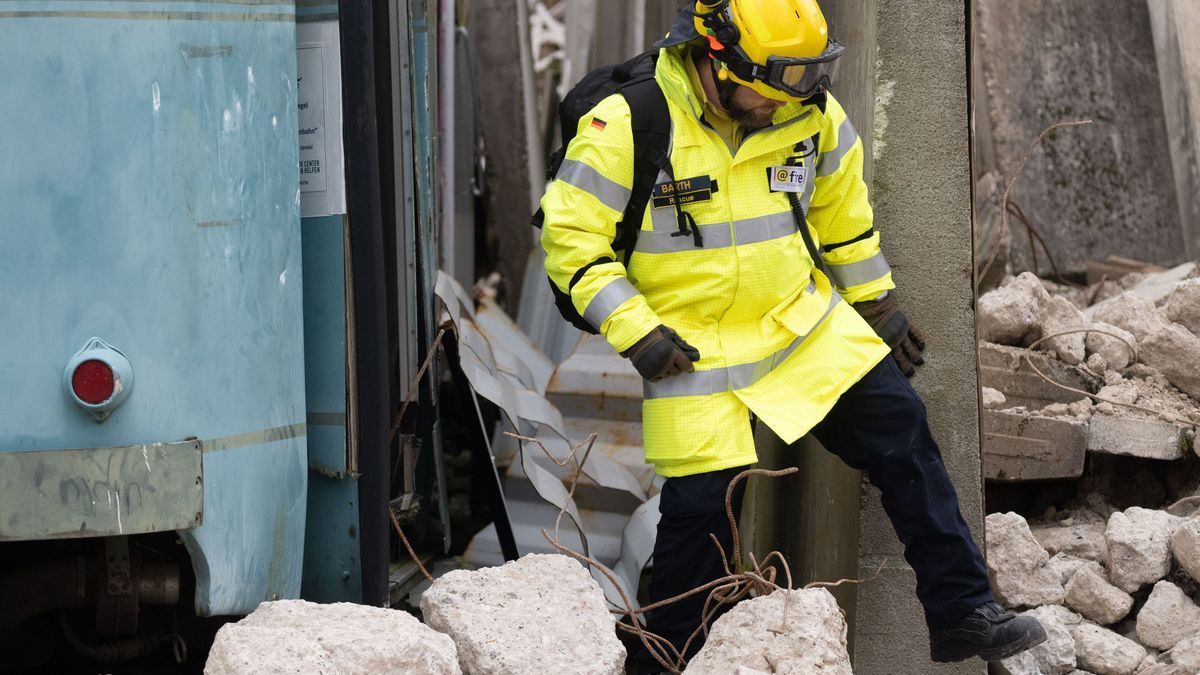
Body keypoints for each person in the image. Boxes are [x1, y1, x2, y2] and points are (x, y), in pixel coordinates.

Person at [539, 0, 1046, 668]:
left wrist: (876, 302)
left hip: (798, 328)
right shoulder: (630, 123)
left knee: (903, 432)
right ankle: (663, 661)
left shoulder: (807, 111)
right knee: (700, 525)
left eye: (805, 83)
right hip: (691, 353)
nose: (789, 102)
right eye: (775, 87)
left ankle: (963, 611)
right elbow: (572, 242)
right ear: (716, 61)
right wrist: (636, 331)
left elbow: (841, 215)